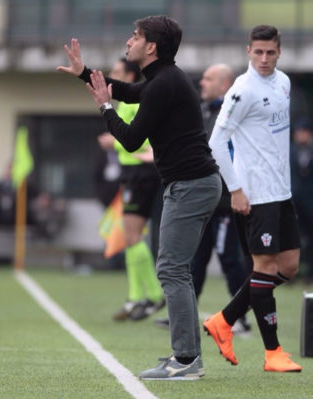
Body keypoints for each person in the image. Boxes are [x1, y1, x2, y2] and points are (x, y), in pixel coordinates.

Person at [58, 15, 221, 380]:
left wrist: (104, 108)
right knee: (176, 269)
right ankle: (187, 356)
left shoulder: (165, 83)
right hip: (191, 184)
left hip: (192, 185)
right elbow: (129, 92)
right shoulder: (163, 80)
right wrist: (85, 74)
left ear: (151, 47)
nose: (128, 41)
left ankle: (186, 360)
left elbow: (131, 140)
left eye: (135, 36)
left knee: (171, 269)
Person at [206, 25, 302, 372]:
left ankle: (223, 320)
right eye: (258, 52)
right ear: (248, 51)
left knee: (288, 267)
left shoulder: (284, 83)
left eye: (270, 52)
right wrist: (235, 189)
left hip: (281, 192)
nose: (264, 58)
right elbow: (216, 143)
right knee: (264, 268)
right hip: (255, 194)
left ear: (279, 52)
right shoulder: (241, 90)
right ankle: (273, 353)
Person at [154, 64, 250, 334]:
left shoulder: (231, 113)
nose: (202, 83)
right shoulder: (204, 111)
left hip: (226, 201)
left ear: (224, 85)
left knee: (229, 258)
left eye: (208, 79)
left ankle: (240, 317)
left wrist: (236, 190)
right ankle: (181, 315)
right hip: (205, 200)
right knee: (195, 259)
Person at [97, 58, 164, 321]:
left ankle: (150, 295)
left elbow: (140, 139)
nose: (112, 75)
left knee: (133, 235)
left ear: (130, 75)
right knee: (130, 236)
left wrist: (113, 143)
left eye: (116, 72)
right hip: (131, 173)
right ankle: (138, 296)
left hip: (141, 173)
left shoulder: (136, 102)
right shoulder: (125, 103)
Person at [290, 118, 313, 283]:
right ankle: (291, 273)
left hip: (310, 203)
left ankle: (309, 272)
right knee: (293, 238)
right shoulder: (290, 152)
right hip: (294, 203)